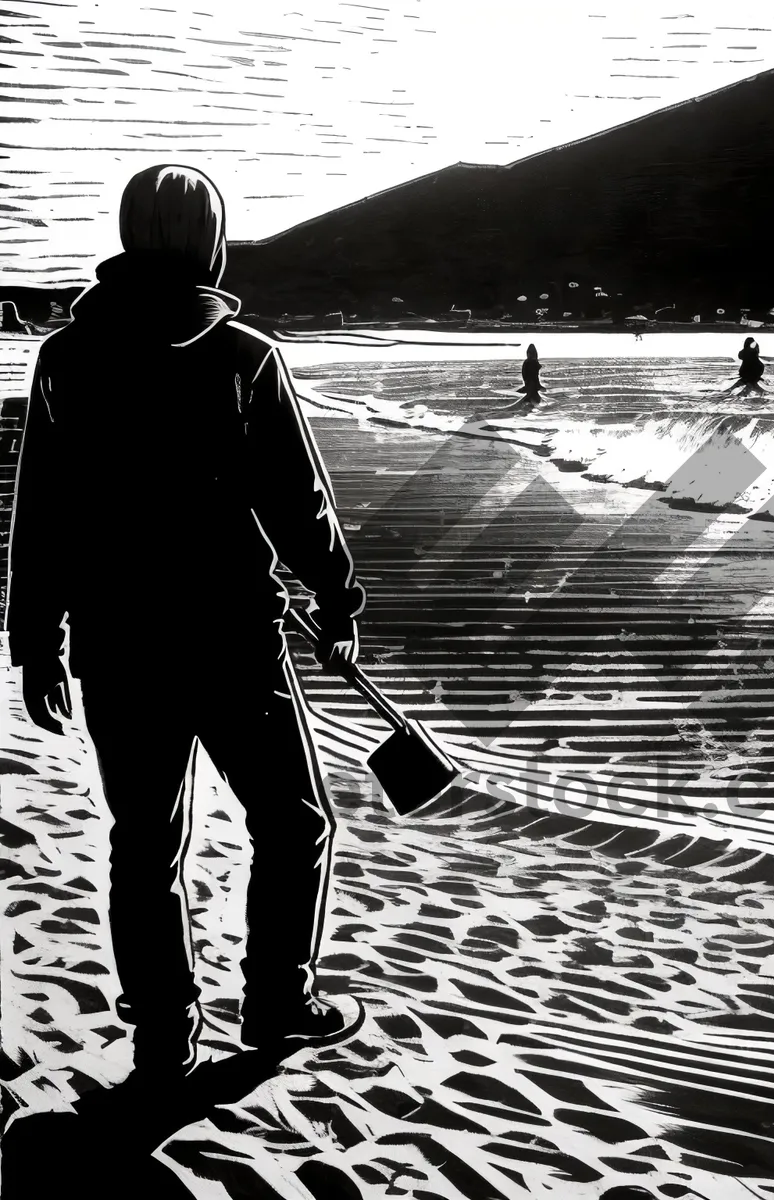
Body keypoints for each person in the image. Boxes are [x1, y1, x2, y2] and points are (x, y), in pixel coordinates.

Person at [5, 165, 367, 1082]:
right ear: (209, 241)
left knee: (145, 839)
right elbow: (296, 498)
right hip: (232, 639)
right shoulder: (243, 358)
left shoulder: (66, 358)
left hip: (118, 643)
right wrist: (336, 595)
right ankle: (279, 1000)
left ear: (130, 237)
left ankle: (164, 1030)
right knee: (292, 826)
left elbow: (41, 510)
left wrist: (33, 641)